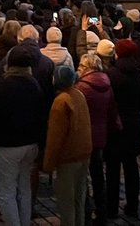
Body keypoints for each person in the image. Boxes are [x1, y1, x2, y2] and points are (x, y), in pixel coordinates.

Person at [0, 44, 45, 226]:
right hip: (30, 144)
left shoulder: (3, 86)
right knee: (24, 187)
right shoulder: (35, 85)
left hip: (8, 145)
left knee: (4, 191)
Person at [43, 65, 93, 226]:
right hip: (84, 153)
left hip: (68, 157)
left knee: (67, 203)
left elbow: (55, 136)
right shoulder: (79, 94)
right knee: (80, 198)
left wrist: (48, 164)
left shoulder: (60, 101)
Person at [76, 51, 120, 226]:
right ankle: (101, 212)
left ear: (86, 68)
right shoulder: (106, 85)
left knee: (81, 178)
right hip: (101, 137)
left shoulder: (81, 88)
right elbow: (112, 112)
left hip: (84, 136)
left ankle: (86, 213)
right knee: (97, 176)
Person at [105, 39, 140, 219]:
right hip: (133, 123)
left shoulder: (111, 74)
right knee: (131, 166)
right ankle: (133, 205)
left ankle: (111, 207)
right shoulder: (139, 74)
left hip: (115, 124)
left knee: (112, 168)